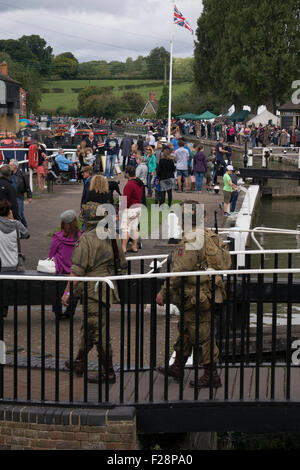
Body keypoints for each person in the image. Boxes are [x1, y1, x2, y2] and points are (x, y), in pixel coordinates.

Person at [156, 201, 231, 388]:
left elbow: (179, 272)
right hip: (208, 293)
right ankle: (177, 366)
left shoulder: (191, 240)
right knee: (187, 330)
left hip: (194, 295)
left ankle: (211, 375)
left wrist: (163, 292)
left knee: (202, 334)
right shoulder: (209, 235)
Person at [62, 202, 127, 383]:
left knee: (98, 330)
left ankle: (108, 372)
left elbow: (77, 270)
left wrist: (67, 293)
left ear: (87, 221)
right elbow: (122, 263)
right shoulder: (111, 235)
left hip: (92, 290)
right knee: (89, 326)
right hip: (107, 287)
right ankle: (79, 361)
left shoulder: (86, 239)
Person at [48, 209, 81, 319]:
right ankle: (70, 311)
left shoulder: (57, 237)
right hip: (74, 269)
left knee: (56, 289)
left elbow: (51, 254)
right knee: (74, 289)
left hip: (60, 268)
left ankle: (57, 311)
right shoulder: (80, 237)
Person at [0, 199, 29, 317]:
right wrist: (12, 220)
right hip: (13, 264)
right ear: (9, 211)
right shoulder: (16, 224)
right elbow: (26, 234)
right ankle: (5, 307)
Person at [120, 165, 144, 253]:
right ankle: (134, 247)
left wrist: (120, 211)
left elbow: (125, 199)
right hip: (138, 207)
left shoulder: (129, 184)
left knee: (125, 229)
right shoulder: (139, 183)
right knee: (134, 228)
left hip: (129, 209)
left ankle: (123, 248)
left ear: (127, 173)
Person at [9, 159, 32, 228]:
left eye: (11, 165)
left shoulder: (22, 174)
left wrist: (29, 196)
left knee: (20, 213)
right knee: (11, 213)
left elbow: (27, 186)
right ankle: (14, 228)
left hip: (19, 195)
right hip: (10, 196)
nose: (9, 166)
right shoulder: (8, 174)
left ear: (15, 166)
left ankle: (24, 226)